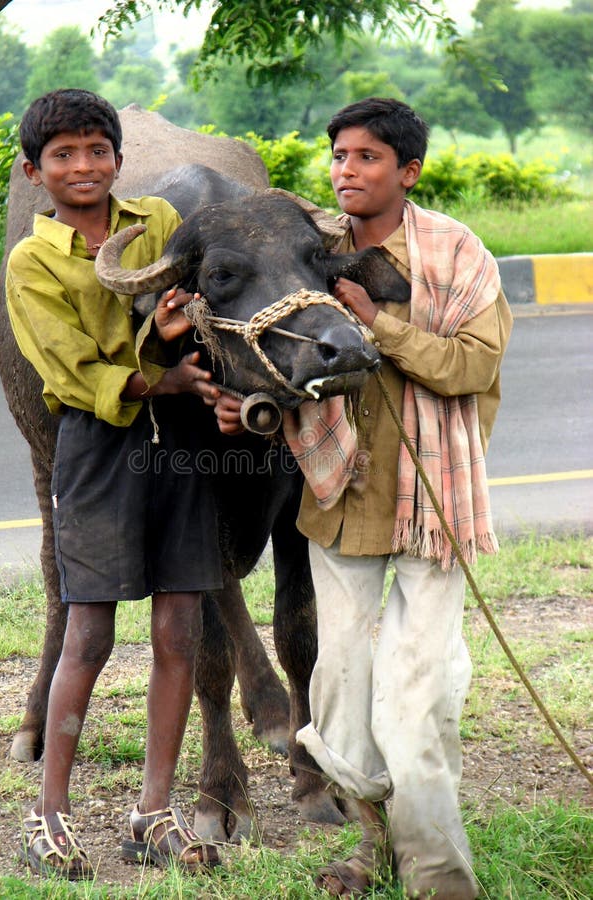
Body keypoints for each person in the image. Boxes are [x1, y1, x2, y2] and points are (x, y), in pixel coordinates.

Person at [215, 97, 512, 898]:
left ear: (407, 171)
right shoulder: (305, 256)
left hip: (435, 502)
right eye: (338, 156)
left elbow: (470, 369)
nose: (347, 171)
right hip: (337, 495)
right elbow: (280, 362)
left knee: (415, 706)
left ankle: (438, 878)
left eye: (367, 158)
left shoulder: (456, 252)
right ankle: (370, 846)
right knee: (340, 693)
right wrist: (244, 406)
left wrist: (376, 324)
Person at [5, 88, 224, 880]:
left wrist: (184, 344)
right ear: (35, 171)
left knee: (178, 629)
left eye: (97, 150)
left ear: (119, 160)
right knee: (88, 632)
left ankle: (150, 812)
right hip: (99, 446)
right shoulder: (32, 262)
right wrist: (158, 365)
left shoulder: (156, 225)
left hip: (183, 446)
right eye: (63, 154)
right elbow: (72, 368)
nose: (83, 166)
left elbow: (195, 301)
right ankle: (48, 816)